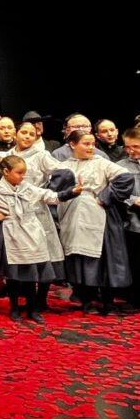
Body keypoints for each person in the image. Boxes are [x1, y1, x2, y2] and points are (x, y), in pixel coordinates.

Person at [0, 156, 81, 322]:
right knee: (13, 275)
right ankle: (14, 308)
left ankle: (32, 309)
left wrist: (72, 192)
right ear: (6, 172)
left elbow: (50, 196)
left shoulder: (26, 187)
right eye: (19, 173)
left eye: (24, 173)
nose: (22, 176)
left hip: (31, 233)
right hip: (11, 232)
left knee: (31, 274)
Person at [54, 128, 134, 315]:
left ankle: (108, 301)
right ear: (73, 144)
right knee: (80, 258)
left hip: (100, 216)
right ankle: (86, 300)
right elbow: (55, 190)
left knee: (104, 258)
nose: (91, 148)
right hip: (73, 217)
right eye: (86, 144)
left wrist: (105, 196)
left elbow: (125, 178)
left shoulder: (101, 163)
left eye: (92, 144)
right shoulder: (65, 166)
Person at [118, 126, 140, 311]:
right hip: (133, 222)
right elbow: (117, 192)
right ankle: (135, 299)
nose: (131, 151)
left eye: (136, 146)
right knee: (135, 261)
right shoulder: (122, 167)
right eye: (127, 147)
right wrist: (133, 200)